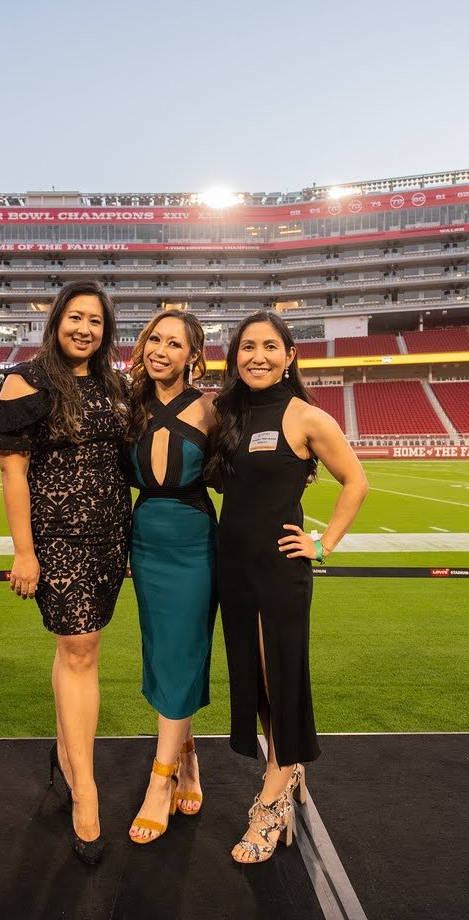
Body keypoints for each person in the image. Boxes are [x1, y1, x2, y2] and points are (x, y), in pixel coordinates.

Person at [207, 311, 368, 864]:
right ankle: (288, 765)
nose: (258, 356)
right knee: (254, 680)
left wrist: (324, 543)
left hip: (279, 569)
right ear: (235, 356)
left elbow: (356, 480)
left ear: (289, 355)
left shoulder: (306, 416)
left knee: (278, 674)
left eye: (270, 346)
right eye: (247, 346)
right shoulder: (226, 413)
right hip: (232, 567)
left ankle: (272, 799)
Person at [0, 279, 131, 865]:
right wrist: (25, 552)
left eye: (95, 320)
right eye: (75, 317)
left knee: (79, 650)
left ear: (105, 330)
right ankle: (85, 795)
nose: (84, 329)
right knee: (80, 646)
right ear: (56, 321)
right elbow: (12, 473)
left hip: (110, 536)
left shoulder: (114, 384)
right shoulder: (28, 380)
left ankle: (67, 753)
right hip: (57, 536)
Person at [126, 310, 218, 844]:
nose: (161, 350)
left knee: (184, 651)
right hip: (145, 541)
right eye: (154, 340)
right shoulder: (127, 406)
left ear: (193, 357)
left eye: (174, 344)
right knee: (163, 652)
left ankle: (159, 783)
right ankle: (188, 758)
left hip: (194, 543)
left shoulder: (213, 409)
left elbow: (247, 476)